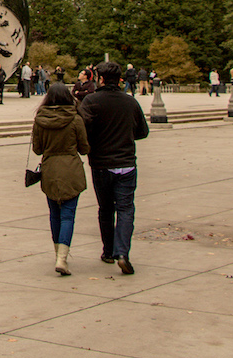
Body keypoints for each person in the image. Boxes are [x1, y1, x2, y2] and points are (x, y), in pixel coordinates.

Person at [78, 61, 149, 276]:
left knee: (106, 209)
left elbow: (82, 129)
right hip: (126, 163)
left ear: (99, 78)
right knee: (126, 208)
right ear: (119, 79)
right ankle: (122, 252)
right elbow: (142, 132)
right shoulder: (130, 102)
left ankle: (108, 251)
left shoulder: (91, 101)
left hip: (101, 163)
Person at [31, 82, 90, 277]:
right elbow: (84, 148)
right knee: (68, 215)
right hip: (71, 169)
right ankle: (62, 257)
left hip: (49, 170)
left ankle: (57, 253)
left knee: (54, 214)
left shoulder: (40, 119)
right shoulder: (75, 119)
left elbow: (37, 149)